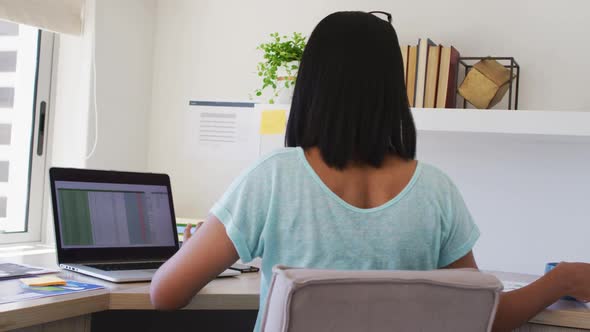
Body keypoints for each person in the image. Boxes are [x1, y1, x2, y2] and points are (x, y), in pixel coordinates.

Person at [150, 11, 590, 332]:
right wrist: (563, 279)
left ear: (313, 84)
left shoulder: (273, 177)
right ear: (391, 90)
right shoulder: (435, 190)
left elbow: (165, 294)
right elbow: (483, 317)